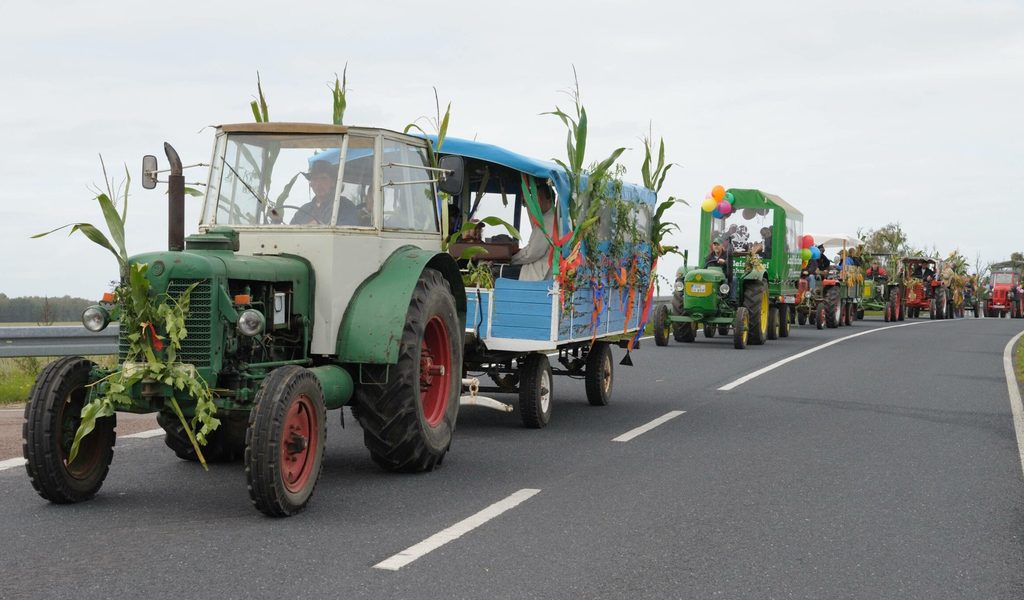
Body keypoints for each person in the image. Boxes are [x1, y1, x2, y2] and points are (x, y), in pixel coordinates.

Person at [291, 160, 368, 226]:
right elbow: (290, 233)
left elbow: (346, 234)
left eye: (323, 178)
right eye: (315, 179)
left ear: (333, 182)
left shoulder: (345, 206)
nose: (319, 184)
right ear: (311, 184)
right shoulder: (303, 210)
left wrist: (319, 226)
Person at [510, 184, 556, 281]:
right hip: (549, 271)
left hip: (539, 274)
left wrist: (511, 258)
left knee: (495, 271)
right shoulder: (555, 218)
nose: (535, 203)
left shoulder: (547, 221)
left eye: (538, 198)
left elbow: (531, 253)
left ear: (549, 199)